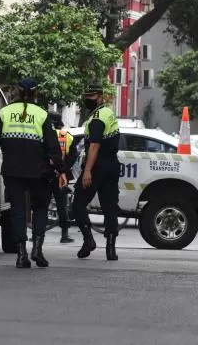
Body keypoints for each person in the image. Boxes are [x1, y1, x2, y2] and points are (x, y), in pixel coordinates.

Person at [0, 78, 67, 269]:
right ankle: (37, 249)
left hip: (13, 171)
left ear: (16, 92)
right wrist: (61, 170)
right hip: (38, 172)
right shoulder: (41, 114)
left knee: (17, 211)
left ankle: (21, 254)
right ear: (35, 93)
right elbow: (52, 146)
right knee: (39, 208)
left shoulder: (5, 112)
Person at [71, 83, 121, 261]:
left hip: (98, 166)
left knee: (77, 205)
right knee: (110, 208)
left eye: (91, 97)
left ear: (100, 97)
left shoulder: (97, 118)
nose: (88, 100)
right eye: (86, 96)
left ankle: (88, 240)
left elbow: (94, 145)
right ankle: (111, 249)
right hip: (112, 165)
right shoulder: (108, 113)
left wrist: (87, 172)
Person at [47, 111, 75, 243]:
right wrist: (64, 169)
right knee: (62, 206)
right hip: (61, 176)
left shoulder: (44, 134)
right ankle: (64, 235)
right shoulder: (67, 136)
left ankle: (37, 234)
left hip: (45, 175)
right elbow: (73, 156)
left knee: (41, 205)